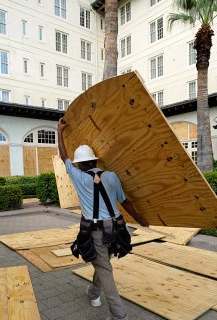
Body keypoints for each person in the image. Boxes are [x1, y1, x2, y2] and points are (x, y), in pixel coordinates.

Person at [57, 117, 146, 320]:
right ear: (96, 160)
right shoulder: (112, 176)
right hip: (116, 229)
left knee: (104, 269)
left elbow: (64, 156)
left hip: (95, 232)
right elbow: (125, 202)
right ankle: (94, 294)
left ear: (79, 165)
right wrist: (139, 218)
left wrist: (60, 130)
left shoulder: (78, 177)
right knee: (102, 262)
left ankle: (119, 315)